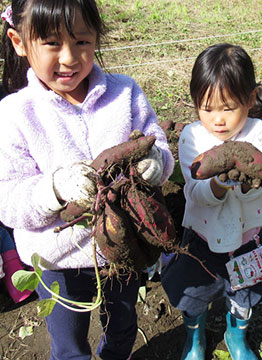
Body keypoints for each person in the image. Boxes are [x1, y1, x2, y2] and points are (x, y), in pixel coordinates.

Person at [0, 1, 174, 359]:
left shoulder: (125, 93)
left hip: (123, 247)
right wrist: (53, 189)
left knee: (123, 325)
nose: (69, 58)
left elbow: (155, 138)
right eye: (51, 43)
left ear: (96, 37)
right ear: (19, 41)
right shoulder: (15, 114)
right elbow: (8, 199)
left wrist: (158, 163)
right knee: (67, 340)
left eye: (82, 42)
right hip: (57, 262)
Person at [161, 43, 262, 360]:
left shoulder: (259, 132)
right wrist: (219, 181)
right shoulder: (192, 137)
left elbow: (258, 186)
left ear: (250, 98)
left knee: (244, 293)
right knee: (195, 294)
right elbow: (194, 191)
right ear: (195, 104)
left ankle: (236, 339)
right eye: (207, 108)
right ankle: (195, 340)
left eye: (228, 108)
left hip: (247, 236)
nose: (217, 120)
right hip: (202, 236)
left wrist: (248, 178)